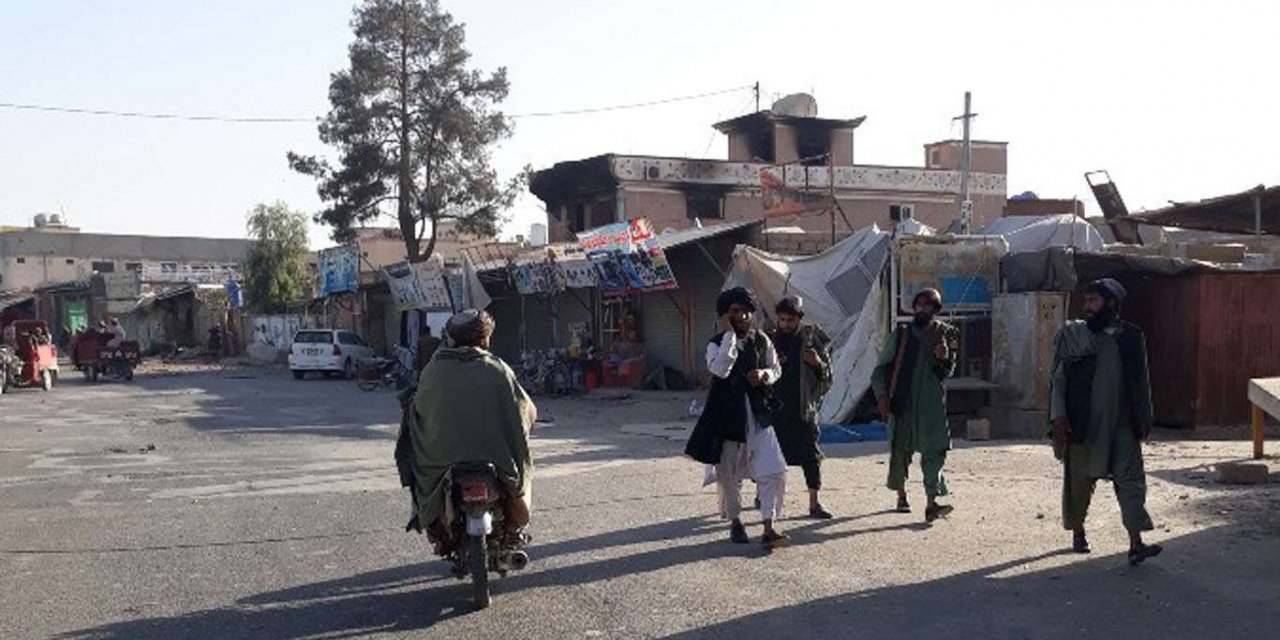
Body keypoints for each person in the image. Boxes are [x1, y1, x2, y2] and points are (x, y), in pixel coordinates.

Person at [1050, 278, 1162, 565]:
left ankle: (1136, 542)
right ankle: (1078, 532)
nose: (1087, 307)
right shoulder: (1074, 336)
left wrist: (1145, 417)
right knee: (1079, 482)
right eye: (1085, 301)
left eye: (1093, 301)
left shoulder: (1131, 337)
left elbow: (1142, 379)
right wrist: (1058, 416)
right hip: (1084, 421)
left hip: (1122, 424)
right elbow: (1059, 380)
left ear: (1111, 303)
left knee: (1132, 481)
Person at [408, 310, 537, 554]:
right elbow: (526, 411)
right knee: (521, 473)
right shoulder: (498, 370)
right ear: (485, 339)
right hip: (495, 458)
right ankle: (514, 528)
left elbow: (419, 413)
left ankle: (437, 529)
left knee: (419, 472)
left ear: (450, 338)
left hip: (441, 458)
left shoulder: (433, 372)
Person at [685, 287, 790, 549]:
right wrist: (730, 337)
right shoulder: (716, 343)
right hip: (727, 419)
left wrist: (765, 375)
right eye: (735, 312)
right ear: (724, 315)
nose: (742, 316)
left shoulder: (762, 340)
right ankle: (735, 522)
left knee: (774, 469)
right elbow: (720, 369)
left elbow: (775, 368)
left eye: (746, 311)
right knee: (728, 477)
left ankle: (769, 527)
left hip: (758, 416)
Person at [872, 288, 958, 523]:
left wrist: (944, 357)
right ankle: (901, 495)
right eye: (919, 305)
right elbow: (879, 370)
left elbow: (948, 371)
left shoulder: (946, 335)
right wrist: (881, 397)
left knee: (935, 450)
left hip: (931, 404)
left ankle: (931, 502)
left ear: (936, 309)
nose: (922, 309)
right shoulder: (901, 335)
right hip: (903, 402)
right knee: (900, 450)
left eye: (928, 305)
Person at [768, 295, 835, 519]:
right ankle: (765, 497)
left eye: (791, 320)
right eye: (783, 320)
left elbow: (827, 376)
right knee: (769, 459)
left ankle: (814, 503)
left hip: (803, 409)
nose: (786, 324)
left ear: (799, 319)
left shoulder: (810, 341)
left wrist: (817, 363)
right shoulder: (769, 342)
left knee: (811, 457)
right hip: (775, 411)